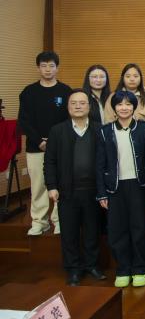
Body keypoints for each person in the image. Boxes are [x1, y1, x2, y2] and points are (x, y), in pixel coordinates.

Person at [44, 89, 105, 286]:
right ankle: (73, 269)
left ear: (89, 106)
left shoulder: (99, 129)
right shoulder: (57, 131)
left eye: (82, 103)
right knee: (69, 233)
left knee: (92, 231)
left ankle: (91, 265)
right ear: (68, 106)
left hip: (93, 191)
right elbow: (50, 162)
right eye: (73, 103)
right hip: (67, 191)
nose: (78, 106)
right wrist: (52, 186)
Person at [96, 91, 145, 288]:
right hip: (114, 188)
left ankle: (139, 269)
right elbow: (99, 164)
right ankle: (122, 269)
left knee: (140, 228)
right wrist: (101, 193)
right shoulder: (105, 131)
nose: (124, 108)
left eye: (128, 104)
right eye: (120, 104)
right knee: (117, 230)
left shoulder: (144, 129)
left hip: (139, 186)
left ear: (134, 107)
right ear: (114, 108)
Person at [19, 51, 71, 236]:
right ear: (38, 68)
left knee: (61, 184)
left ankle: (59, 220)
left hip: (60, 147)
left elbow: (69, 120)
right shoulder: (28, 92)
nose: (48, 69)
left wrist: (55, 141)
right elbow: (24, 121)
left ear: (57, 68)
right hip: (36, 147)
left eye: (51, 66)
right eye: (43, 66)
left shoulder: (66, 91)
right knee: (38, 186)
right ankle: (39, 222)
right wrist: (40, 141)